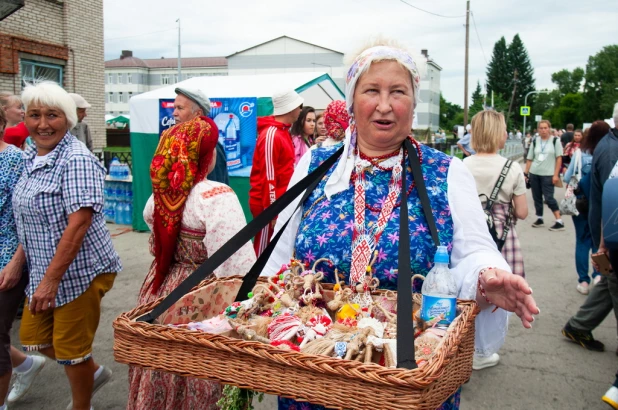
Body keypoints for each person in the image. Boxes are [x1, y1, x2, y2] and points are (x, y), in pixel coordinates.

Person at [264, 40, 538, 410]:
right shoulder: (316, 163)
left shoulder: (445, 172)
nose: (384, 105)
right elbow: (280, 257)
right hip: (314, 374)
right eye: (371, 90)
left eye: (398, 92)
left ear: (413, 101)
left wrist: (487, 276)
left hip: (407, 380)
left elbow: (473, 251)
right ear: (351, 100)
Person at [127, 113, 255, 409]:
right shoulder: (216, 196)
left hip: (161, 290)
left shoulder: (161, 195)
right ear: (206, 157)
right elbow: (238, 269)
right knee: (200, 370)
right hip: (203, 297)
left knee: (162, 368)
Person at [11, 81, 121, 410]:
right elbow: (28, 218)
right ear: (25, 119)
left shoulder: (75, 159)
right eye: (34, 115)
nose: (42, 124)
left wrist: (50, 280)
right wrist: (18, 263)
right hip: (45, 267)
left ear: (69, 119)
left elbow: (79, 224)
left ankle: (80, 404)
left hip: (81, 271)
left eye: (52, 115)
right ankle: (93, 372)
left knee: (72, 350)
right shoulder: (31, 154)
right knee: (34, 338)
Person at [464, 110, 528, 370]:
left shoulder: (463, 165)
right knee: (494, 292)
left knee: (467, 292)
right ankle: (482, 352)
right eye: (504, 130)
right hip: (501, 238)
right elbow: (522, 212)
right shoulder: (512, 168)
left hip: (469, 236)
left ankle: (461, 349)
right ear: (498, 135)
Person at [0, 107, 46, 410]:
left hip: (7, 256)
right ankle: (26, 365)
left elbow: (28, 217)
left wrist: (17, 262)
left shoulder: (14, 160)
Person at [562, 110, 618, 352]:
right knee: (613, 278)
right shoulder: (612, 150)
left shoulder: (607, 146)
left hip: (602, 224)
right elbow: (613, 200)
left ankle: (579, 325)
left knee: (609, 280)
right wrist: (606, 242)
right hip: (609, 229)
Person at [249, 90, 303, 256]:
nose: (301, 110)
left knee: (273, 248)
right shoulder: (272, 134)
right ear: (291, 108)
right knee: (264, 249)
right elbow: (269, 178)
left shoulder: (281, 132)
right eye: (299, 106)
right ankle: (257, 280)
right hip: (269, 205)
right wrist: (272, 211)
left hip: (277, 202)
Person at [563, 125, 607, 294]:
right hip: (601, 203)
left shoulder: (580, 153)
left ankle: (583, 281)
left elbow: (568, 177)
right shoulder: (606, 152)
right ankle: (599, 275)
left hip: (581, 202)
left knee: (582, 241)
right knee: (600, 240)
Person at [173, 87, 229, 185]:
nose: (174, 113)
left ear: (198, 113)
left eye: (180, 108)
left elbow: (214, 189)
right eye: (174, 108)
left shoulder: (208, 146)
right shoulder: (179, 141)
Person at [524, 119, 564, 231]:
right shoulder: (535, 141)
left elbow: (559, 159)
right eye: (541, 128)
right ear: (538, 129)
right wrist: (526, 173)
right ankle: (539, 218)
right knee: (536, 197)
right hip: (535, 173)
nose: (543, 130)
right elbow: (530, 158)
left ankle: (559, 220)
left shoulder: (555, 141)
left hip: (548, 174)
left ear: (549, 129)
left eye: (545, 128)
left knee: (549, 198)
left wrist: (556, 175)